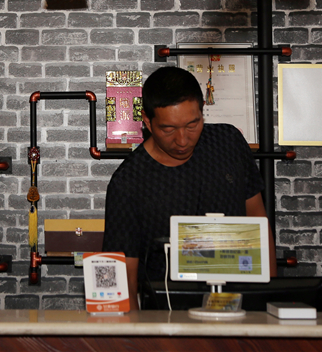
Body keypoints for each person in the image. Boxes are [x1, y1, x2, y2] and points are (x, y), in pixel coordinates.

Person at [102, 66, 277, 310]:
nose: (183, 140)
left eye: (192, 125)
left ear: (202, 110)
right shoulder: (128, 182)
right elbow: (124, 276)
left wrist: (269, 300)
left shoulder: (228, 143)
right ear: (147, 122)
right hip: (168, 317)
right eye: (169, 129)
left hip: (240, 309)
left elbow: (258, 220)